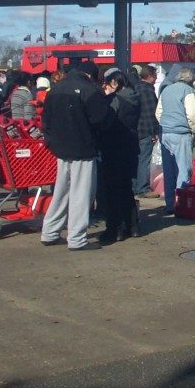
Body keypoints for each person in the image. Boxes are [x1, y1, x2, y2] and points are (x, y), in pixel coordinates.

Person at [39, 61, 110, 251]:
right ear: (91, 75)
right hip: (83, 148)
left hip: (60, 149)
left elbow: (45, 120)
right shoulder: (89, 90)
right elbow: (100, 120)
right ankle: (77, 239)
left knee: (61, 191)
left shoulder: (55, 89)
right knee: (82, 193)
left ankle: (50, 232)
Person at [98, 68, 140, 244]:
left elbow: (105, 122)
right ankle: (133, 225)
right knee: (126, 188)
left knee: (112, 190)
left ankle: (116, 228)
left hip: (113, 147)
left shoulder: (115, 100)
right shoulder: (135, 98)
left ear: (114, 83)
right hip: (130, 147)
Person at [156, 66, 195, 215]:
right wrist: (194, 131)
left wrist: (166, 124)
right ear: (191, 79)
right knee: (184, 169)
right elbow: (193, 115)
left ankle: (170, 204)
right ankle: (181, 203)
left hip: (166, 133)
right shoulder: (188, 91)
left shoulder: (166, 90)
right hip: (181, 133)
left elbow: (158, 112)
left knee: (168, 170)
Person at [133, 65, 159, 197]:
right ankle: (143, 187)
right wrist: (155, 131)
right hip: (145, 130)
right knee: (145, 159)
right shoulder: (148, 91)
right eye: (155, 76)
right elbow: (151, 114)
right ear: (149, 76)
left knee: (137, 159)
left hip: (135, 129)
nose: (156, 78)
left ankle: (135, 185)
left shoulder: (135, 87)